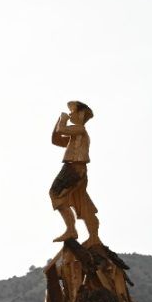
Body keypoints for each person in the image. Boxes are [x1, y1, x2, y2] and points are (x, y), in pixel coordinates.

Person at [49, 101, 100, 243]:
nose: (70, 113)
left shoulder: (79, 130)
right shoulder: (76, 136)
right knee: (81, 201)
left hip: (73, 168)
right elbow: (56, 139)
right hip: (76, 169)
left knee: (56, 193)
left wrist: (63, 120)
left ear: (81, 114)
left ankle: (71, 230)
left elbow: (62, 130)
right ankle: (92, 236)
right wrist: (59, 121)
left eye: (72, 111)